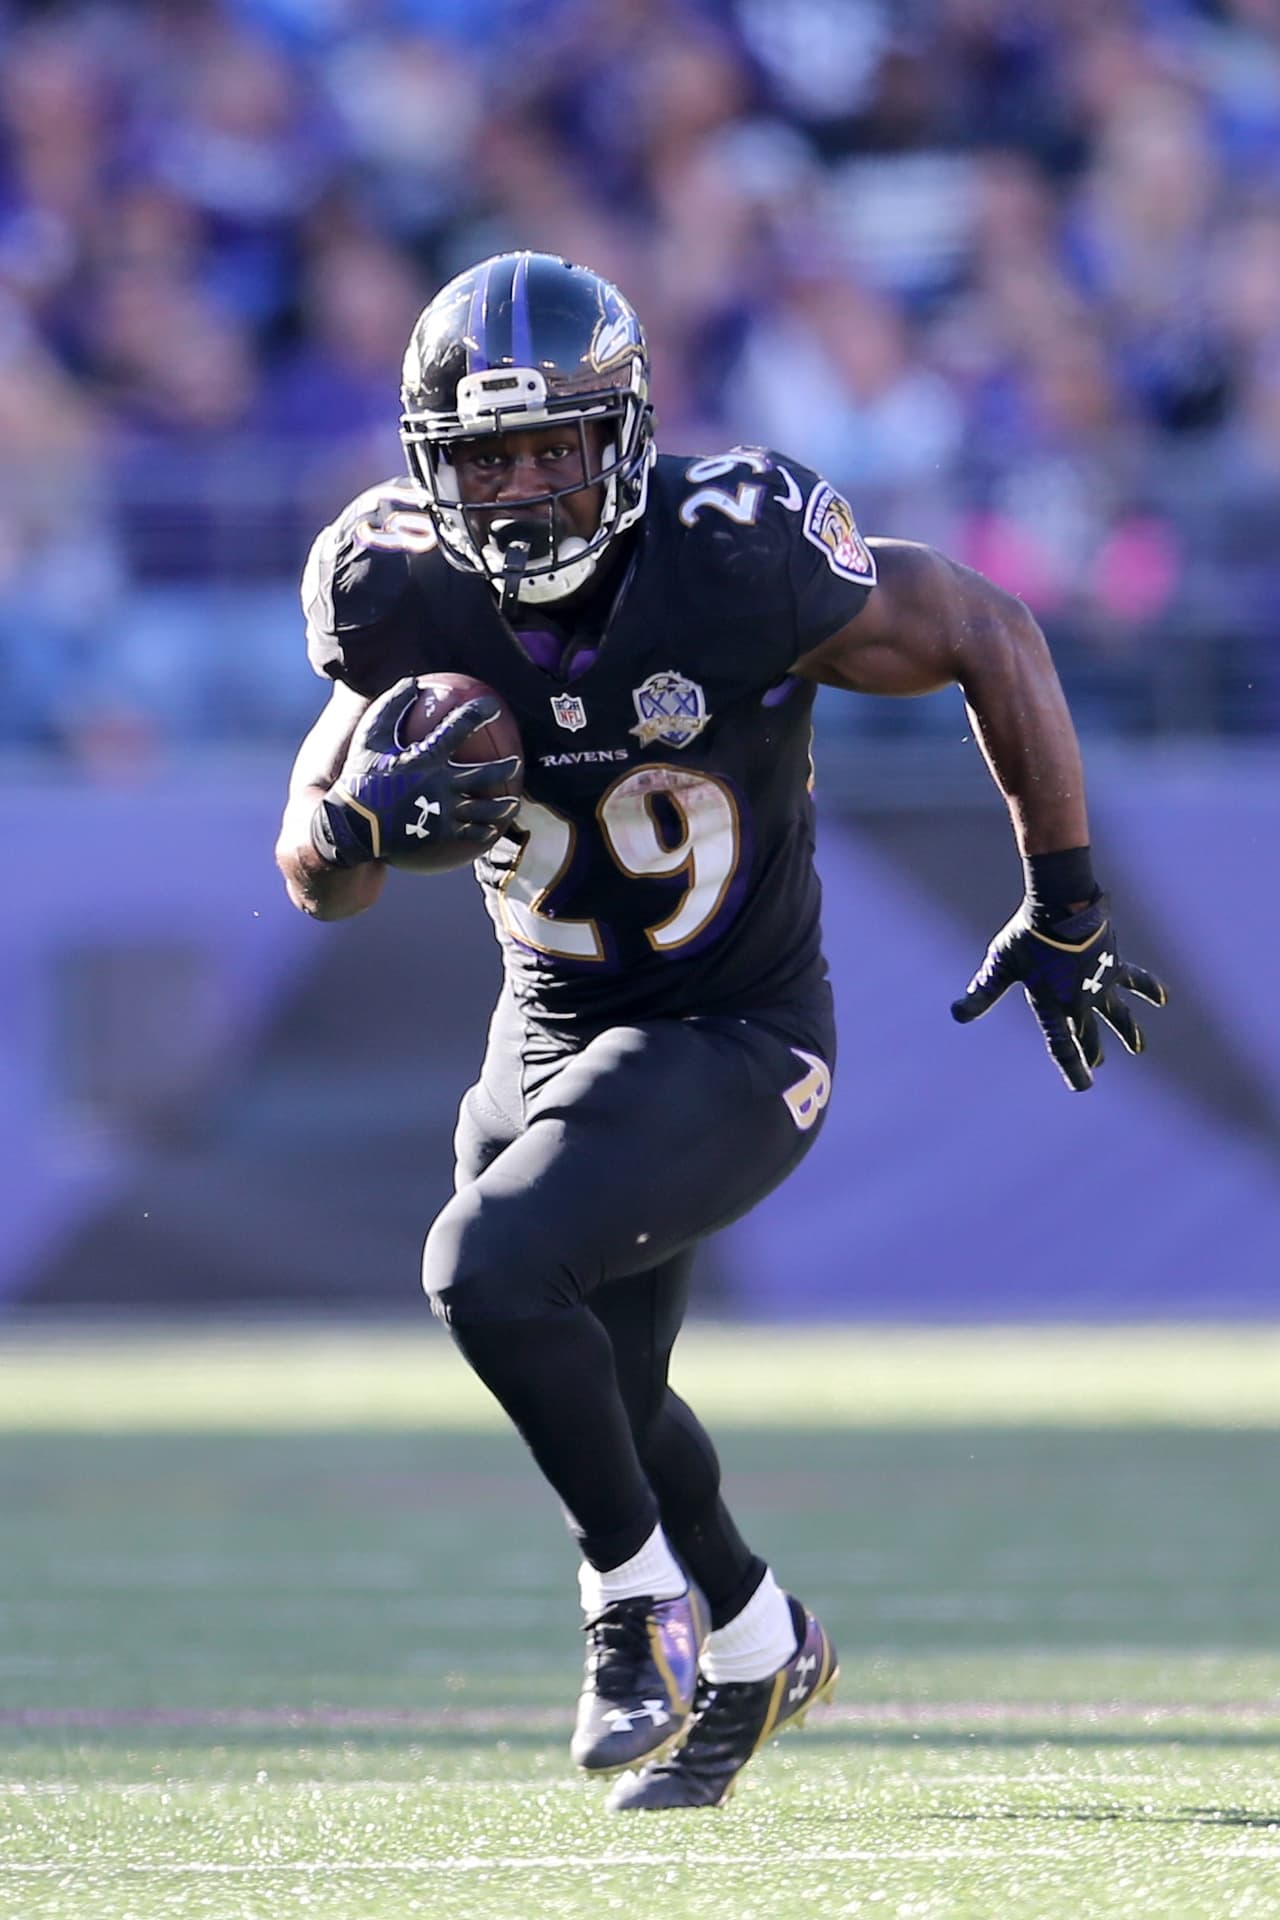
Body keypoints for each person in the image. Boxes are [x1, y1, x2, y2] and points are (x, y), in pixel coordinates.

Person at [275, 252, 1167, 1811]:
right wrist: (353, 828)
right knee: (602, 1383)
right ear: (433, 466)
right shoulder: (390, 583)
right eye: (491, 457)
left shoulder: (734, 552)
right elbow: (318, 876)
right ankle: (760, 1641)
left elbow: (990, 630)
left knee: (481, 1267)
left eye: (556, 446)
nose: (528, 489)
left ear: (623, 435)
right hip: (546, 1023)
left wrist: (1068, 902)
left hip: (736, 1028)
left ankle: (634, 1613)